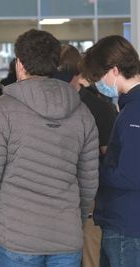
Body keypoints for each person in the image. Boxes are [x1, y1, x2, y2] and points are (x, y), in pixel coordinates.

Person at [0, 29, 100, 267]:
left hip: (15, 239)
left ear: (20, 64)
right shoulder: (83, 113)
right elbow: (88, 182)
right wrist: (72, 223)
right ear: (55, 64)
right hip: (66, 239)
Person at [81, 35, 140, 267]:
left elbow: (130, 174)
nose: (98, 84)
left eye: (98, 76)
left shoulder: (134, 112)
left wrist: (93, 165)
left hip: (128, 225)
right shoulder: (128, 108)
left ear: (114, 70)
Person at [57, 44, 117, 267]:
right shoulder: (100, 107)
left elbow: (109, 158)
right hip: (62, 202)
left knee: (90, 257)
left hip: (90, 203)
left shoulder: (99, 109)